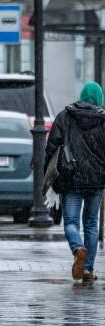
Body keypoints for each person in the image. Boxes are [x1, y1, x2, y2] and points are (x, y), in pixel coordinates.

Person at [45, 81, 105, 283]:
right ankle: (87, 269)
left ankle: (78, 248)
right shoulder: (103, 119)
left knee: (71, 222)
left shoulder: (65, 116)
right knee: (91, 223)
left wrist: (49, 173)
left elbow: (52, 145)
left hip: (71, 177)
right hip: (96, 179)